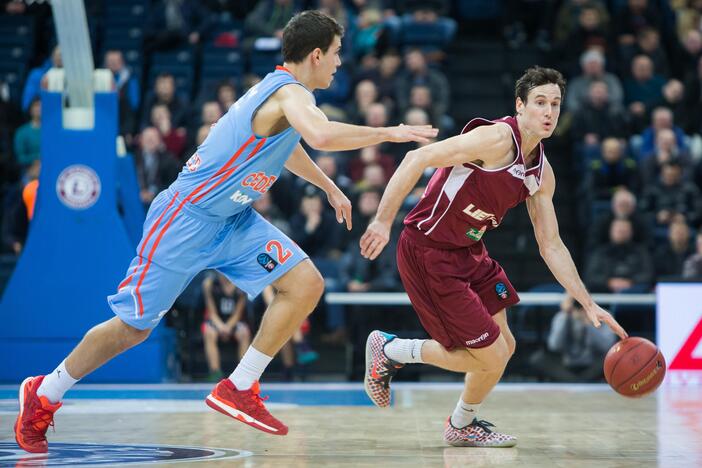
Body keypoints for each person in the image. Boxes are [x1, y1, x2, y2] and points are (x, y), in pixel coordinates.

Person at [14, 10, 437, 453]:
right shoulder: (290, 94)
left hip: (232, 221)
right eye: (335, 54)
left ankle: (240, 384)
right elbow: (322, 136)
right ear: (315, 54)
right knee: (131, 328)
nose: (338, 62)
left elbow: (286, 147)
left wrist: (329, 187)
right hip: (184, 220)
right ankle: (45, 392)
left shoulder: (282, 97)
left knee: (305, 283)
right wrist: (391, 131)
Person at [359, 66, 627, 447]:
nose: (549, 112)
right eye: (540, 102)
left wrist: (587, 302)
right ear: (520, 106)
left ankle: (461, 424)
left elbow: (550, 244)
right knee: (486, 355)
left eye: (555, 104)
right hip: (429, 251)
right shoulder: (496, 139)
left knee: (506, 348)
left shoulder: (541, 173)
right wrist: (383, 222)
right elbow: (414, 160)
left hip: (470, 252)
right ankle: (390, 349)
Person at [202, 272, 251, 382]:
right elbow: (211, 311)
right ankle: (215, 371)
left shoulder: (242, 284)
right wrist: (220, 326)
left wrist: (228, 327)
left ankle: (243, 373)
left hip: (234, 320)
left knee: (244, 333)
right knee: (209, 332)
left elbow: (238, 312)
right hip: (216, 319)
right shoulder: (209, 284)